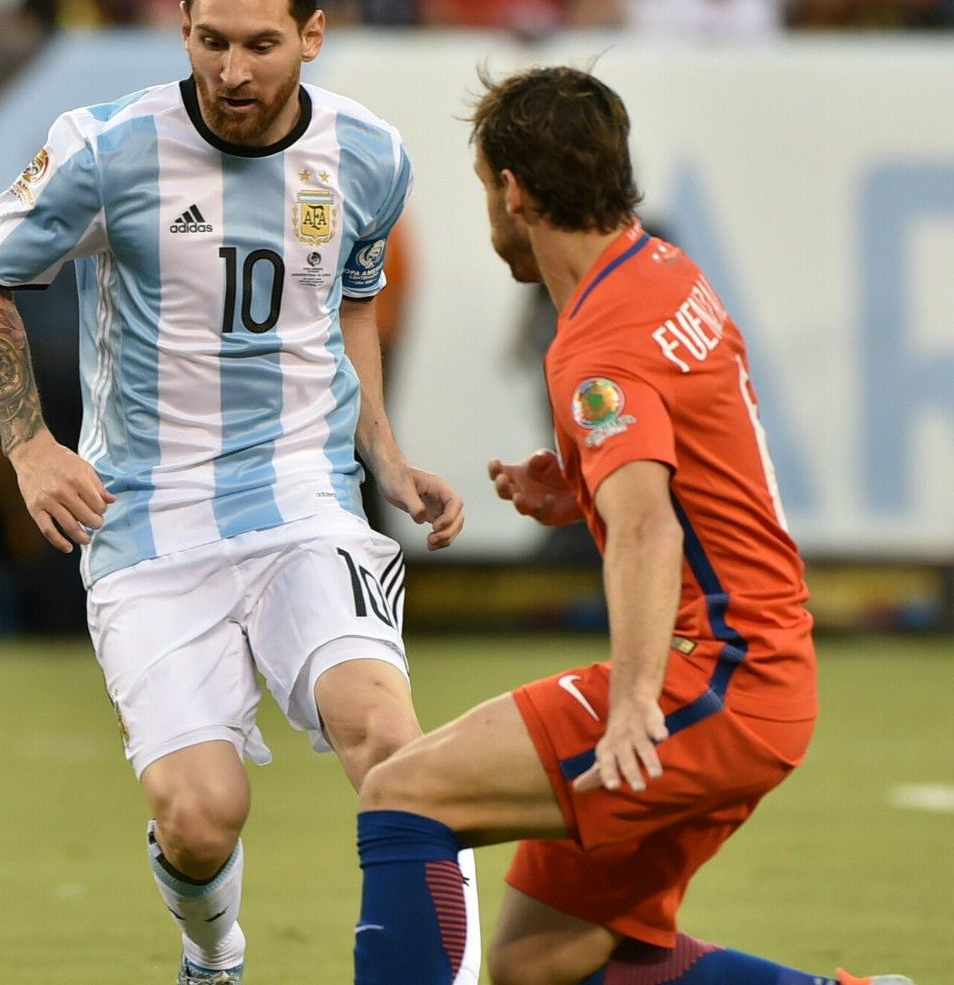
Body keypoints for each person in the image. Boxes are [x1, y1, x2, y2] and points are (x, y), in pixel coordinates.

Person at [0, 0, 475, 983]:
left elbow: (353, 303)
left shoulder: (369, 158)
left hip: (303, 499)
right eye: (211, 41)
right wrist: (30, 447)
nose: (232, 71)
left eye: (260, 44)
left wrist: (381, 449)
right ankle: (215, 955)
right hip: (145, 517)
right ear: (182, 27)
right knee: (203, 819)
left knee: (396, 749)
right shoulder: (106, 149)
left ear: (314, 36)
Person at [349, 64, 912, 985]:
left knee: (403, 793)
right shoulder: (661, 270)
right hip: (761, 670)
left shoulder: (597, 344)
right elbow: (697, 445)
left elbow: (648, 528)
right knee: (544, 960)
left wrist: (638, 702)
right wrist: (579, 479)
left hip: (715, 679)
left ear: (512, 190)